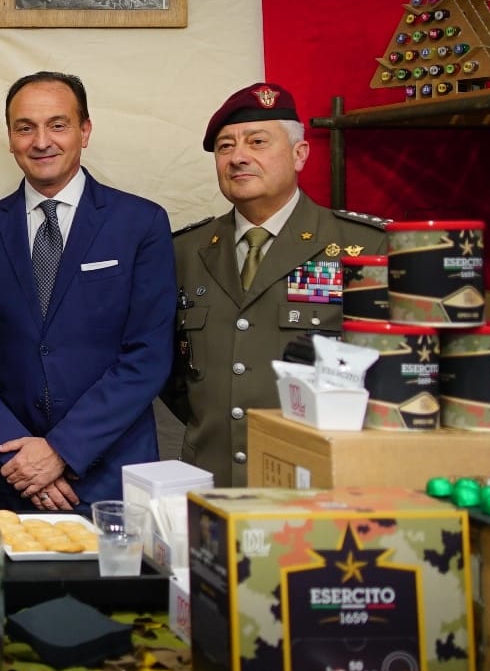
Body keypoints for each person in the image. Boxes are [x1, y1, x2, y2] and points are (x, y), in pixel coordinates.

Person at [0, 73, 175, 511]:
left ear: (84, 131)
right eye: (25, 127)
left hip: (109, 473)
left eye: (57, 124)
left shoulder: (141, 224)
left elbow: (147, 356)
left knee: (118, 582)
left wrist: (61, 451)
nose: (41, 141)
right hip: (13, 476)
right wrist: (22, 458)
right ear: (10, 138)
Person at [166, 82, 388, 486]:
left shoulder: (365, 248)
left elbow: (389, 374)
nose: (238, 158)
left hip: (320, 482)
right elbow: (173, 376)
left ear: (300, 154)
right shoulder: (184, 252)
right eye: (225, 147)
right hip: (210, 483)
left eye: (257, 141)